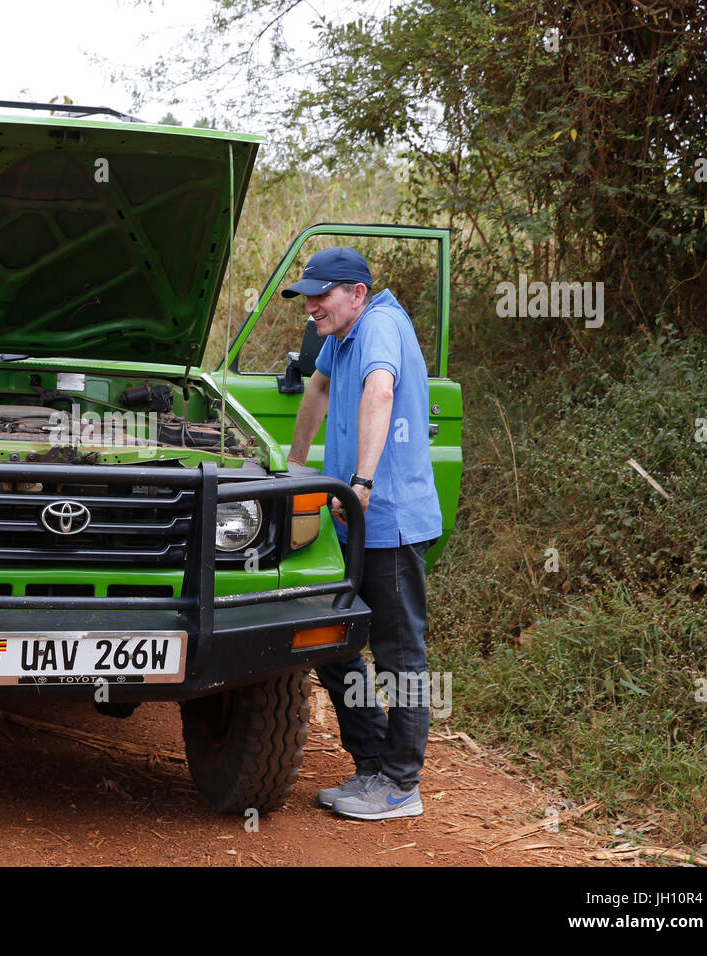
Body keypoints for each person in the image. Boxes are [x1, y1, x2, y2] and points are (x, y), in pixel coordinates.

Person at [282, 246, 442, 820]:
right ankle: (373, 762)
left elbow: (380, 391)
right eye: (308, 297)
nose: (312, 307)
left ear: (356, 292)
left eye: (321, 296)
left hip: (390, 520)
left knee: (399, 654)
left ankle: (402, 783)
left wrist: (363, 481)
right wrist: (296, 468)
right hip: (351, 520)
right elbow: (317, 389)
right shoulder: (339, 335)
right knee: (329, 638)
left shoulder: (377, 325)